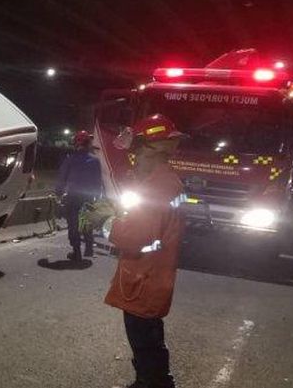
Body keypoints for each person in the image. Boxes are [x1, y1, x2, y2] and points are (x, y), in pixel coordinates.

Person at [86, 114, 186, 388]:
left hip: (145, 277)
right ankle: (154, 380)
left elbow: (135, 237)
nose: (134, 160)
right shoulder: (166, 182)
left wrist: (106, 222)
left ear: (152, 151)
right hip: (151, 274)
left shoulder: (158, 187)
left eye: (137, 154)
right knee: (149, 336)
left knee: (144, 338)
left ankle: (152, 383)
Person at [55, 130, 102, 261]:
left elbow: (61, 178)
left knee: (73, 224)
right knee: (87, 222)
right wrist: (97, 198)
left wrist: (58, 193)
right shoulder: (95, 161)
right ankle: (89, 248)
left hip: (73, 197)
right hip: (88, 197)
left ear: (76, 144)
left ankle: (77, 252)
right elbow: (98, 182)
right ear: (88, 144)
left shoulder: (70, 159)